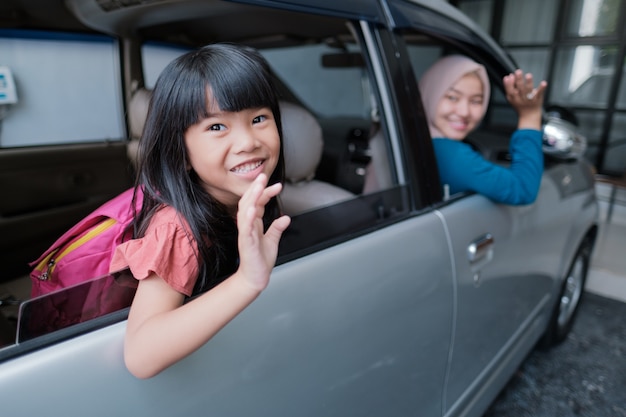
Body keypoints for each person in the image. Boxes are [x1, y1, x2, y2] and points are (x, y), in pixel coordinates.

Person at [108, 43, 291, 379]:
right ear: (179, 148)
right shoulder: (178, 229)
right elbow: (140, 355)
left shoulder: (248, 200)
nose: (248, 141)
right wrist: (247, 281)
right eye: (217, 127)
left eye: (259, 118)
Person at [419, 54, 547, 205]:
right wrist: (529, 116)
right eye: (452, 97)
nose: (464, 112)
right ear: (430, 94)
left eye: (476, 101)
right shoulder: (449, 154)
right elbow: (523, 190)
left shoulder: (407, 139)